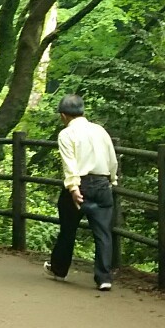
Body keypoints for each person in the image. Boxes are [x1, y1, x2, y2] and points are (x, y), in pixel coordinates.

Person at [45, 93, 117, 291]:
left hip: (80, 184)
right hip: (103, 183)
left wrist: (74, 188)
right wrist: (112, 179)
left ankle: (59, 269)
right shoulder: (100, 130)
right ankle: (104, 277)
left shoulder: (66, 134)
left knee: (68, 229)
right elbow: (112, 159)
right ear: (83, 112)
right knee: (103, 233)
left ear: (63, 115)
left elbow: (70, 164)